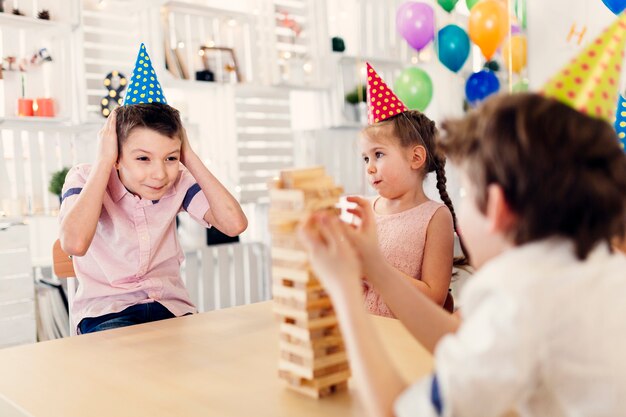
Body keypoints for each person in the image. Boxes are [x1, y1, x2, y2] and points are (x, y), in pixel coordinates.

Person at [299, 93, 626, 417]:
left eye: (467, 191)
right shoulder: (598, 266)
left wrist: (344, 290)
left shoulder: (518, 298)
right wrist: (374, 265)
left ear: (498, 207)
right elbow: (465, 339)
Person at [59, 45, 247, 334]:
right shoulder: (85, 178)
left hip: (171, 308)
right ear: (117, 155)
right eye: (143, 158)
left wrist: (189, 157)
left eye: (170, 157)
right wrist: (104, 161)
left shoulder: (179, 180)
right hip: (109, 314)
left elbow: (234, 224)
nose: (159, 174)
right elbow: (74, 244)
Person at [355, 63, 467, 318]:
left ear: (416, 157)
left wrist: (375, 271)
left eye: (378, 154)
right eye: (365, 159)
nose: (370, 168)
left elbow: (434, 297)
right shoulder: (365, 209)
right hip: (365, 334)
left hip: (406, 339)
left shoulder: (435, 217)